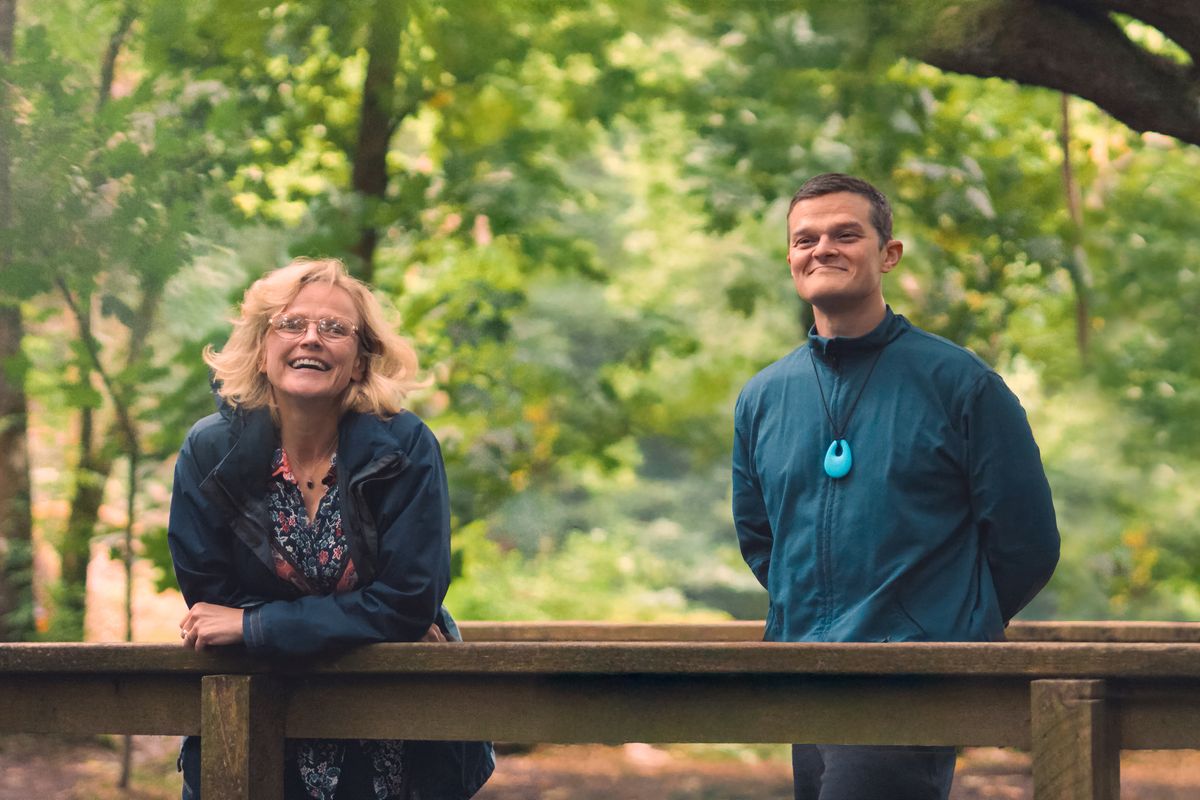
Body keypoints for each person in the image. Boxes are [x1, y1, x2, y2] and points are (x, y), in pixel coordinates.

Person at [732, 174, 1060, 800]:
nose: (822, 248)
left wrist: (944, 633)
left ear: (888, 254)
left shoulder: (961, 384)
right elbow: (760, 537)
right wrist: (812, 618)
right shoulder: (764, 396)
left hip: (910, 678)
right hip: (804, 670)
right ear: (791, 260)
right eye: (805, 239)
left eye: (845, 234)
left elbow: (1027, 542)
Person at [168, 257, 493, 799]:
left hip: (396, 725)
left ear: (362, 360)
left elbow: (409, 600)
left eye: (335, 329)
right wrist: (365, 622)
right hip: (257, 713)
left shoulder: (406, 447)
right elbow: (212, 603)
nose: (312, 339)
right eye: (291, 324)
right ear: (261, 348)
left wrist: (257, 628)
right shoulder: (209, 451)